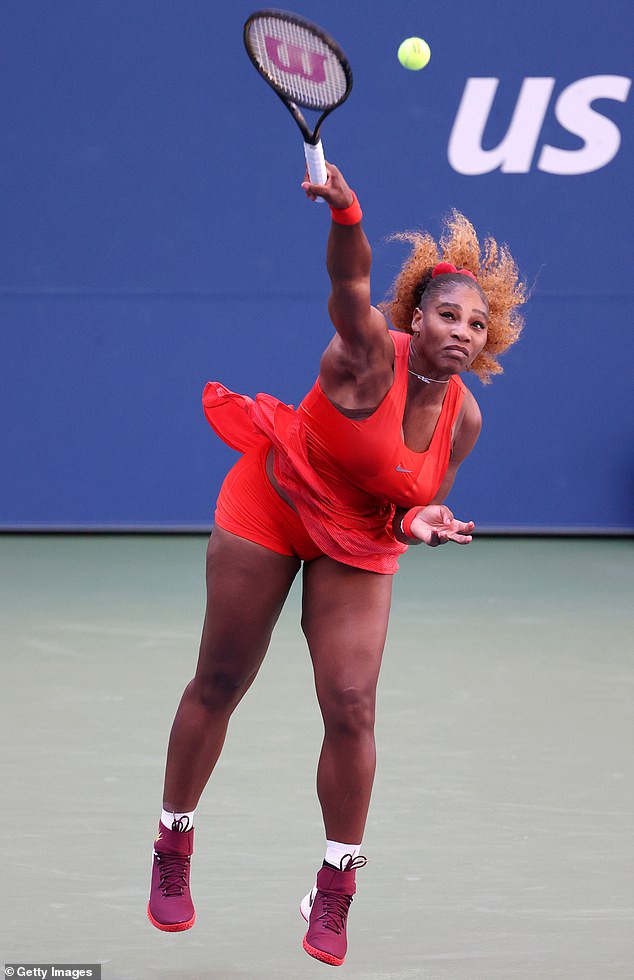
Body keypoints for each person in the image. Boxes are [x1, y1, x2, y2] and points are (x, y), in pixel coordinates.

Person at [147, 162, 526, 967]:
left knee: (352, 706)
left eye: (477, 323)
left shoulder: (466, 419)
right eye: (448, 314)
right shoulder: (364, 356)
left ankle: (335, 883)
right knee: (220, 682)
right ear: (415, 318)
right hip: (275, 503)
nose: (464, 330)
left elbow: (411, 497)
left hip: (357, 535)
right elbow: (349, 280)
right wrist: (347, 211)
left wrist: (423, 519)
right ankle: (174, 839)